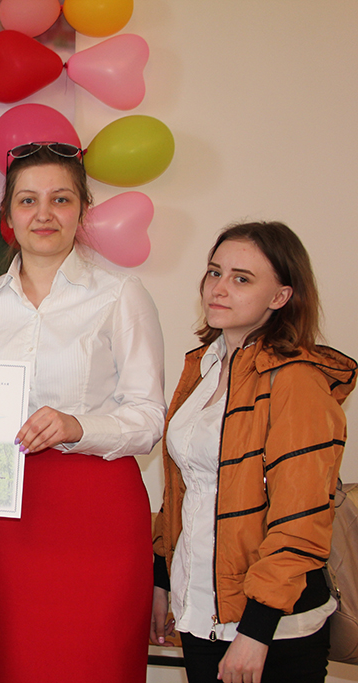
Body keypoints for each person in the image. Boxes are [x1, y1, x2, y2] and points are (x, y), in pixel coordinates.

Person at [0, 142, 166, 683]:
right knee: (16, 664)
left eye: (61, 199)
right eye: (28, 200)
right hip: (5, 520)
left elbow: (149, 419)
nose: (44, 213)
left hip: (100, 512)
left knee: (100, 664)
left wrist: (77, 426)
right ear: (8, 214)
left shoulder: (121, 295)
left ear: (83, 210)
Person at [150, 222, 356, 683]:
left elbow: (302, 518)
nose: (219, 288)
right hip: (200, 608)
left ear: (280, 296)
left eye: (242, 278)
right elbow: (184, 487)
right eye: (215, 272)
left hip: (271, 627)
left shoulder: (297, 380)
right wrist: (162, 579)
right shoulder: (203, 366)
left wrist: (256, 631)